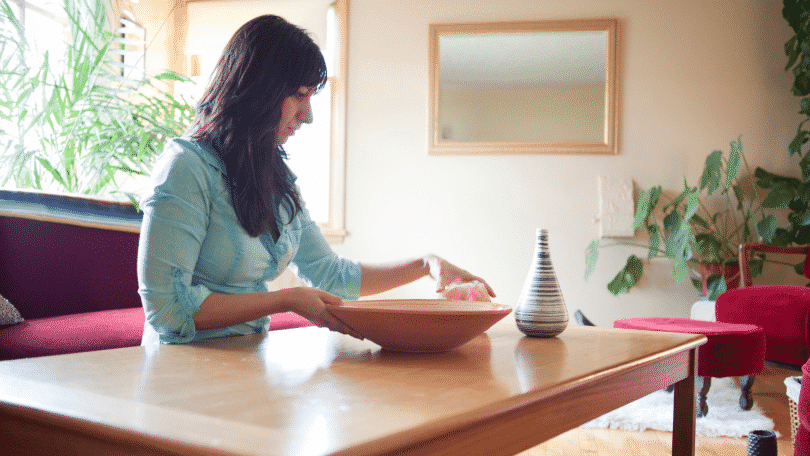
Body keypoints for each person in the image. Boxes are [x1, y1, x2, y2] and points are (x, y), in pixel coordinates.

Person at [136, 14, 495, 345]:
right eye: (300, 95)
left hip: (246, 356)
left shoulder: (275, 178)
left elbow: (331, 273)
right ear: (260, 89)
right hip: (178, 365)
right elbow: (167, 310)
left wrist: (427, 264)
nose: (307, 116)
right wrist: (285, 299)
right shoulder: (185, 168)